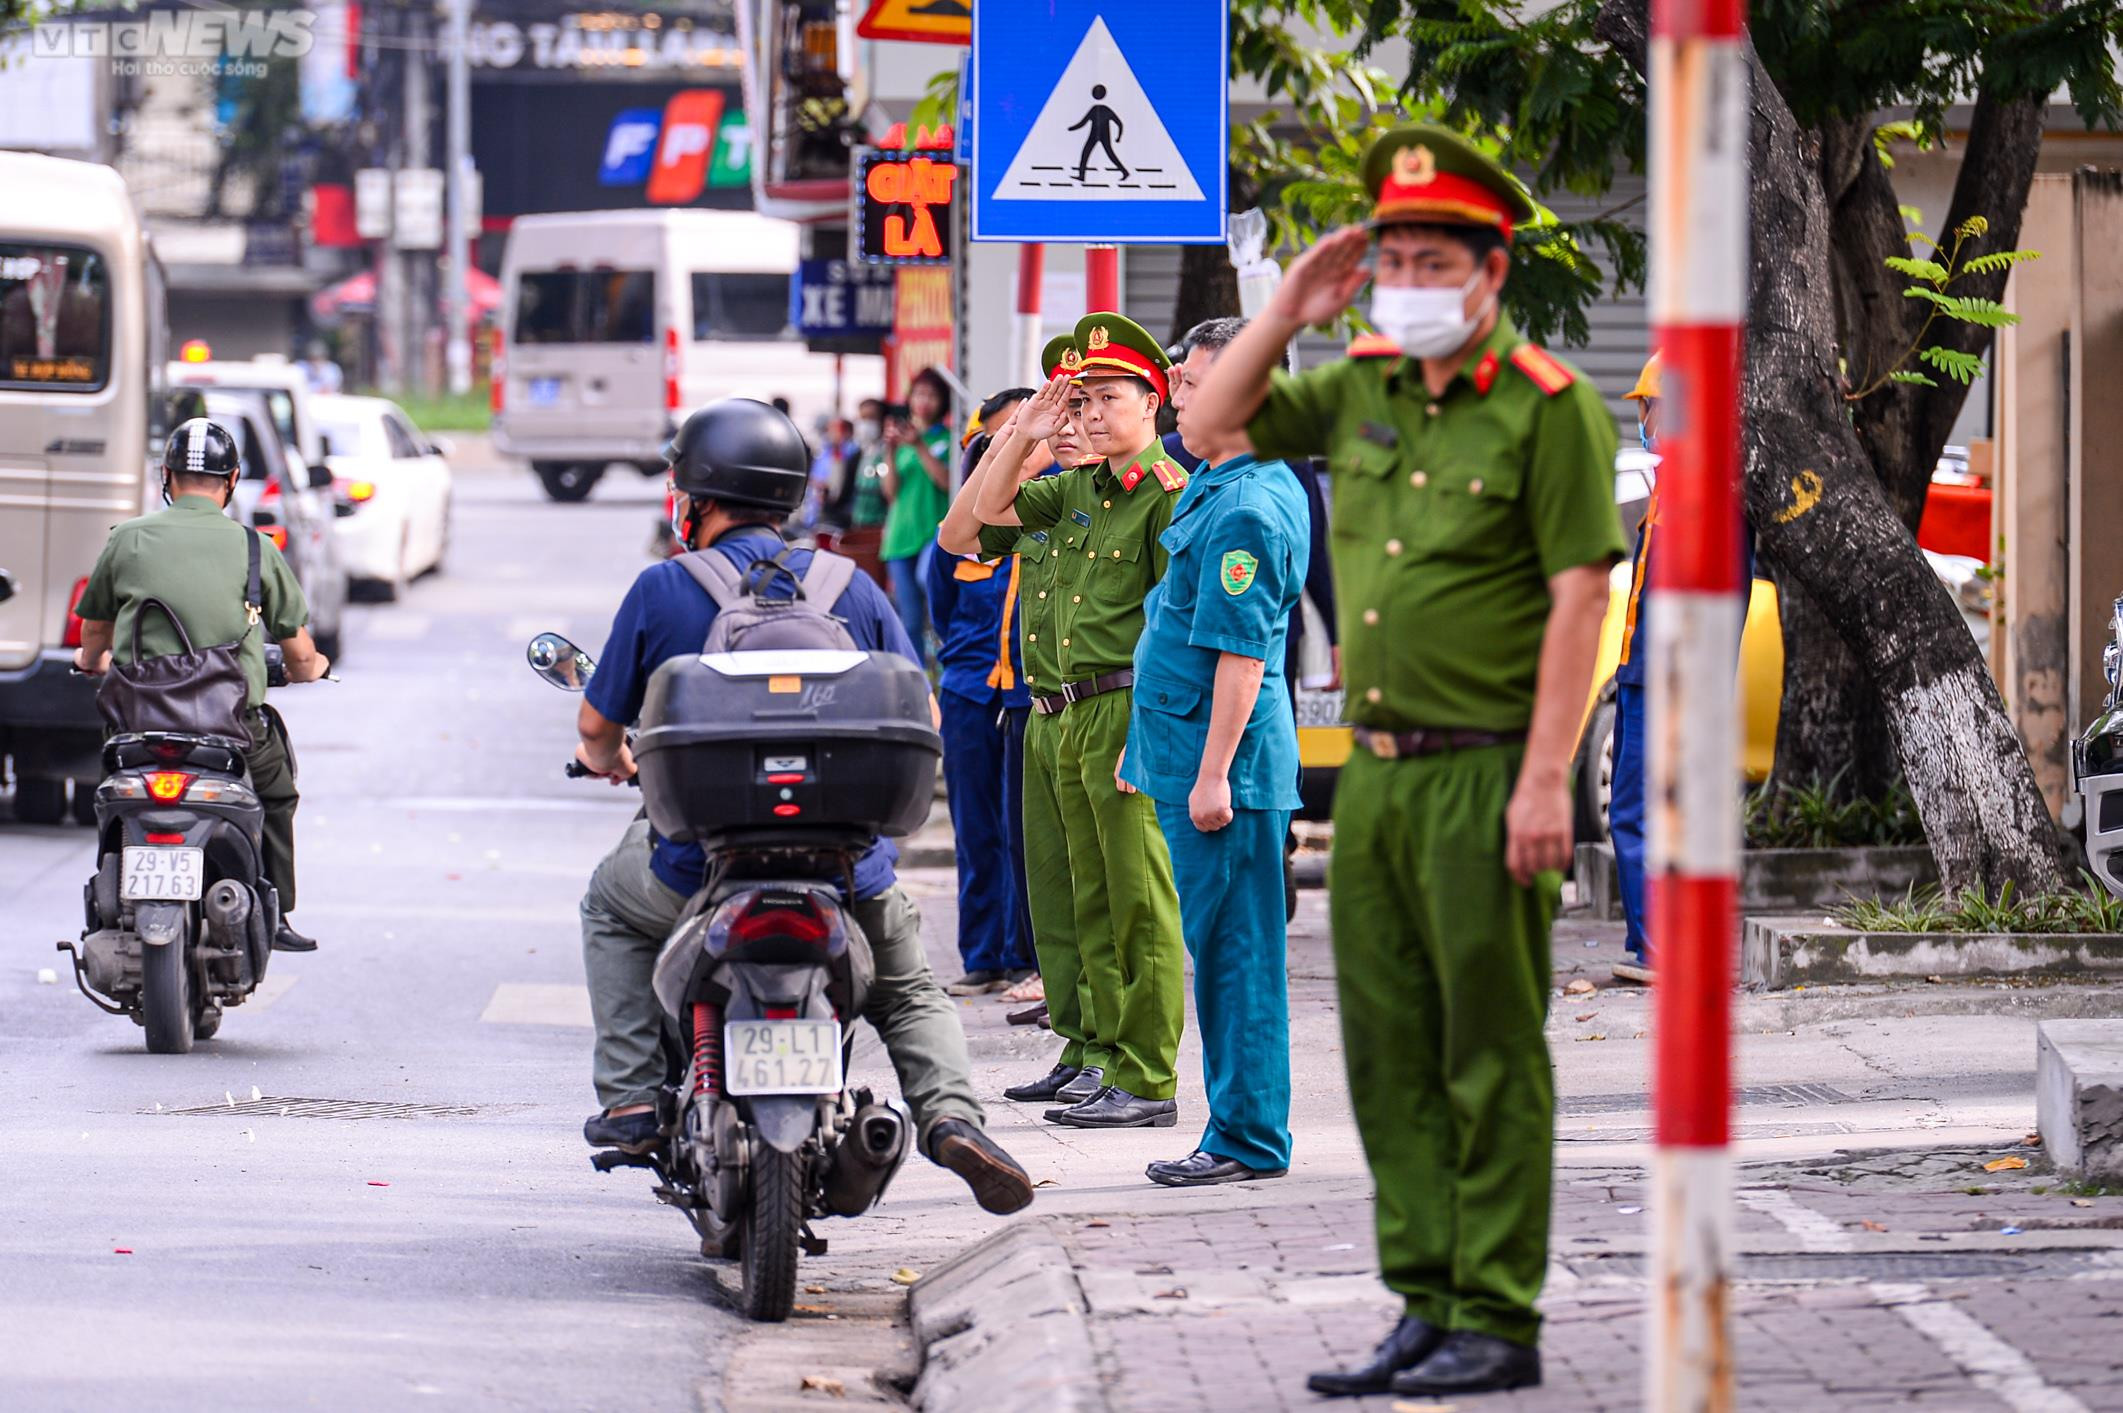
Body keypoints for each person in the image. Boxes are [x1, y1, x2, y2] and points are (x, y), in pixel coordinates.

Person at [1187, 125, 1624, 1397]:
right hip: (1372, 777)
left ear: (1488, 274)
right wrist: (1289, 303)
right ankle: (1422, 1302)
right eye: (1393, 256)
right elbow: (1211, 420)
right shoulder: (1363, 382)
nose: (1409, 279)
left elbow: (1578, 603)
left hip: (1487, 773)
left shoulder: (1549, 409)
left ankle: (1496, 1312)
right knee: (1384, 1052)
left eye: (1434, 258)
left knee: (1485, 1050)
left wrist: (1548, 779)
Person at [570, 397, 1033, 1215]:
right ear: (791, 496)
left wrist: (606, 759)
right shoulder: (849, 587)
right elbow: (918, 718)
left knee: (609, 907)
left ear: (695, 498)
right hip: (844, 868)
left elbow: (597, 727)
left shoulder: (663, 589)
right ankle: (953, 1116)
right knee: (907, 987)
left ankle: (634, 1096)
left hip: (695, 867)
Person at [970, 313, 1189, 1131]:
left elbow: (1176, 630)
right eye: (1083, 398)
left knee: (1137, 899)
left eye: (1107, 396)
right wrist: (1020, 434)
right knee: (1072, 898)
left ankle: (1145, 1072)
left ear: (1154, 400)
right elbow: (974, 527)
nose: (1091, 413)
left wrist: (1155, 731)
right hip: (1059, 709)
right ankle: (1096, 1049)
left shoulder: (1167, 498)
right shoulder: (1080, 489)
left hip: (1123, 706)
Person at [1118, 315, 1308, 1187]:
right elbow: (1171, 629)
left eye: (1192, 385)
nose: (1176, 397)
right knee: (1222, 950)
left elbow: (1241, 656)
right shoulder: (1214, 482)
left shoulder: (1247, 506)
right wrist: (1143, 748)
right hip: (1184, 747)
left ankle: (1244, 1138)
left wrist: (1210, 775)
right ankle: (1237, 1126)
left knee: (1236, 960)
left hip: (1221, 764)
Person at [71, 418, 332, 953]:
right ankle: (274, 908)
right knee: (277, 795)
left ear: (167, 476)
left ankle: (108, 899)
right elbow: (301, 656)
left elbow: (95, 631)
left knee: (111, 801)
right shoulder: (254, 548)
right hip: (230, 731)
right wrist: (314, 668)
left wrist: (91, 659)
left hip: (138, 728)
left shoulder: (128, 539)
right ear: (232, 480)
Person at [939, 341, 1103, 1042]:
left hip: (1070, 702)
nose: (1060, 427)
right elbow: (953, 544)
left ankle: (1056, 985)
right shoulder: (1034, 506)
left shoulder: (1115, 501)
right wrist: (1014, 448)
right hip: (999, 697)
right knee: (995, 842)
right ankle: (1007, 973)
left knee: (1071, 864)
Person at [1170, 318, 1340, 916]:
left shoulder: (1255, 492)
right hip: (1220, 678)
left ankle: (1280, 851)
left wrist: (1336, 633)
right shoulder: (1207, 468)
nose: (1178, 397)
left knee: (1238, 942)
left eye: (1191, 382)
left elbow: (1316, 552)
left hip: (1248, 670)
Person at [925, 386, 1040, 997]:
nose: (1006, 453)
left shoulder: (1048, 515)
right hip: (971, 694)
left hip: (1029, 696)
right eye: (993, 443)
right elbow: (940, 609)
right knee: (975, 827)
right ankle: (983, 956)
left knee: (1026, 831)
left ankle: (1027, 955)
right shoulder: (963, 529)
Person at [1609, 353, 1661, 986]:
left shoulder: (1705, 492)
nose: (1642, 418)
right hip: (1637, 672)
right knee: (1632, 806)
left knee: (1636, 809)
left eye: (1646, 405)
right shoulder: (1670, 486)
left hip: (1661, 679)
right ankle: (1641, 941)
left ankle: (1659, 950)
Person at [879, 368, 955, 663]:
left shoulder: (947, 437)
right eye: (919, 394)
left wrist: (919, 446)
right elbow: (890, 491)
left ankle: (942, 656)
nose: (924, 401)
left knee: (929, 580)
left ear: (943, 402)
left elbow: (946, 482)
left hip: (932, 531)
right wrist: (889, 450)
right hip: (899, 536)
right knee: (908, 618)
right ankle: (918, 676)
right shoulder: (898, 440)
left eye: (932, 395)